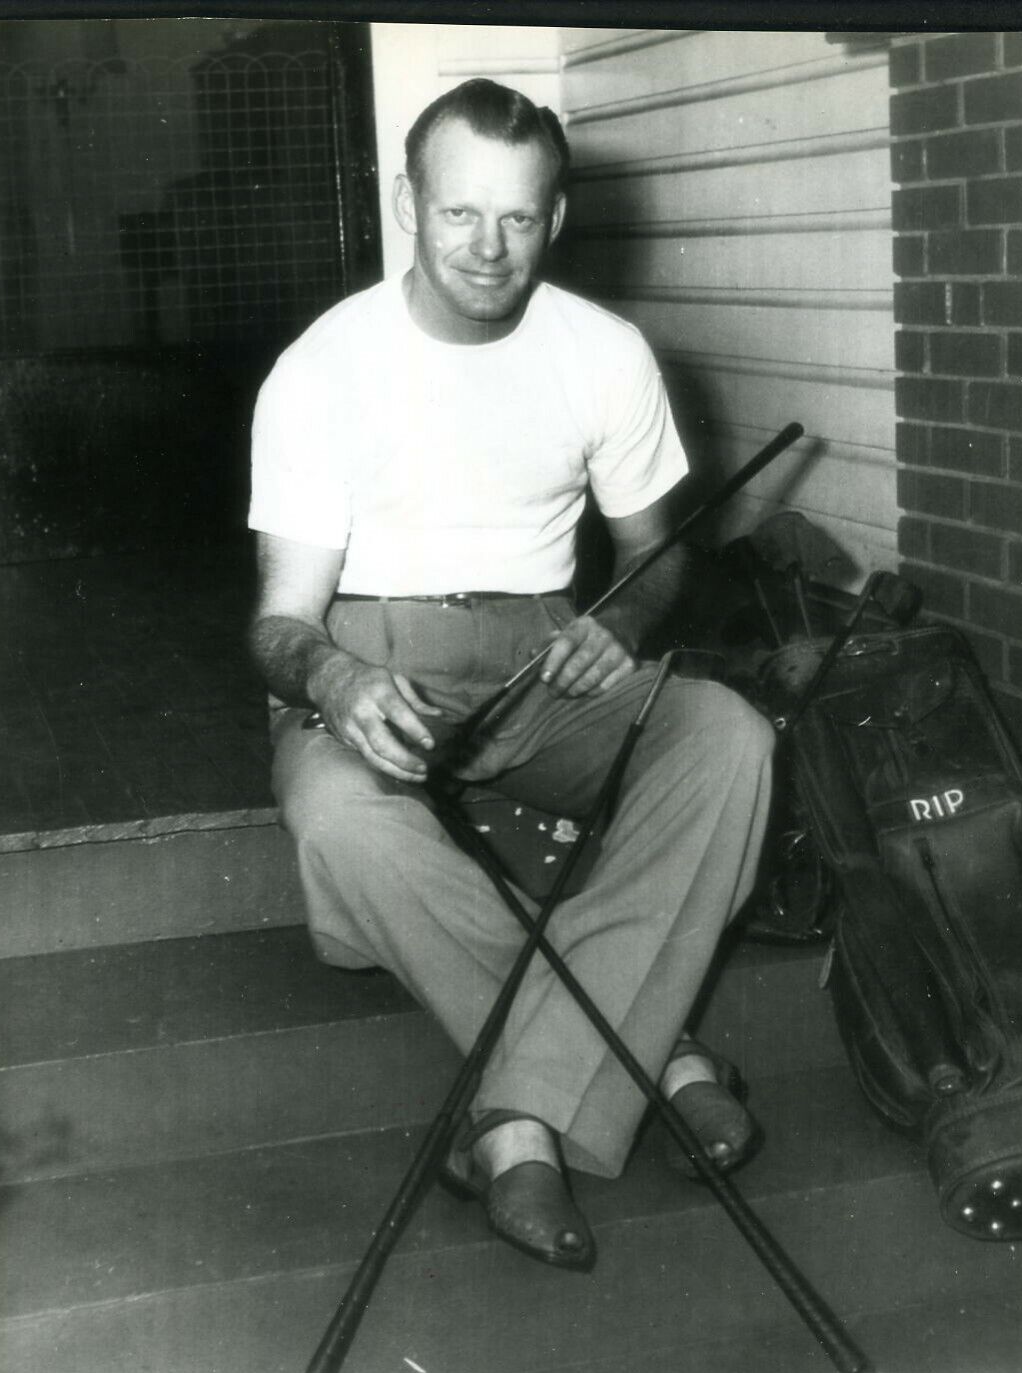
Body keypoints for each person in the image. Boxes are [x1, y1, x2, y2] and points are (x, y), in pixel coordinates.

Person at [248, 79, 775, 1273]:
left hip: (550, 654)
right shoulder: (323, 369)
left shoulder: (604, 353)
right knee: (334, 809)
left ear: (557, 216)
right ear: (406, 205)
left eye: (519, 219)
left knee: (730, 737)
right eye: (458, 215)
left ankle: (515, 1115)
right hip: (374, 653)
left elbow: (658, 558)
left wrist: (625, 625)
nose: (488, 249)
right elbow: (280, 625)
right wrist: (331, 683)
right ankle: (658, 1060)